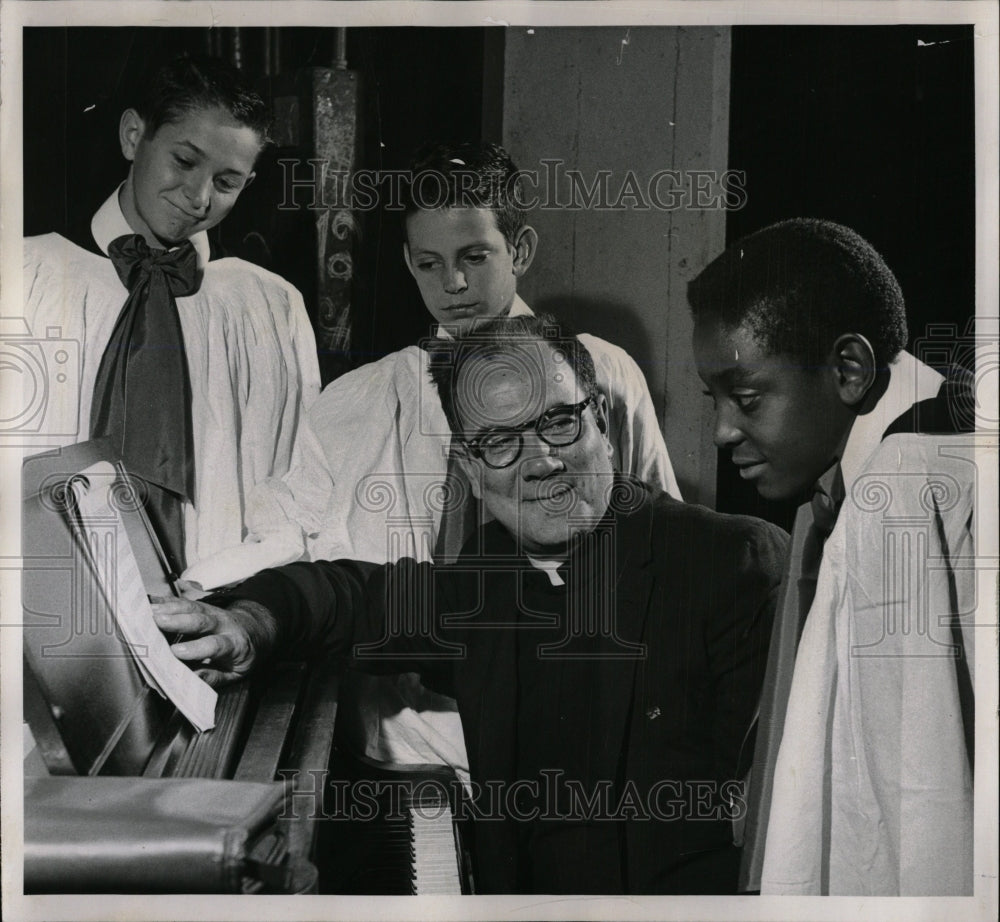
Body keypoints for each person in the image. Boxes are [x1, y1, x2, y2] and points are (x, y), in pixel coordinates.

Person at [153, 315, 788, 894]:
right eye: (500, 442)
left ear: (602, 422)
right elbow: (358, 597)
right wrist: (252, 621)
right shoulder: (496, 571)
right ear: (471, 467)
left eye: (559, 422)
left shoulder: (730, 564)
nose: (540, 462)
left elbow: (770, 849)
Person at [248, 141, 682, 777]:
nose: (452, 284)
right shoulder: (357, 401)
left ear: (521, 251)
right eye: (428, 263)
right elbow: (288, 539)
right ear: (407, 262)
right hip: (408, 747)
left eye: (474, 257)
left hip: (571, 731)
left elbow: (663, 541)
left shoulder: (602, 374)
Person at [688, 218, 976, 895]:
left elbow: (922, 805)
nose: (725, 429)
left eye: (748, 396)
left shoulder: (896, 492)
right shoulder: (951, 426)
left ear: (849, 368)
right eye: (716, 400)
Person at [21, 53, 320, 584]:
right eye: (184, 161)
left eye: (226, 182)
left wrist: (221, 600)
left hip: (212, 617)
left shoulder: (267, 308)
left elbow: (297, 492)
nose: (199, 198)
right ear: (134, 136)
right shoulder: (26, 278)